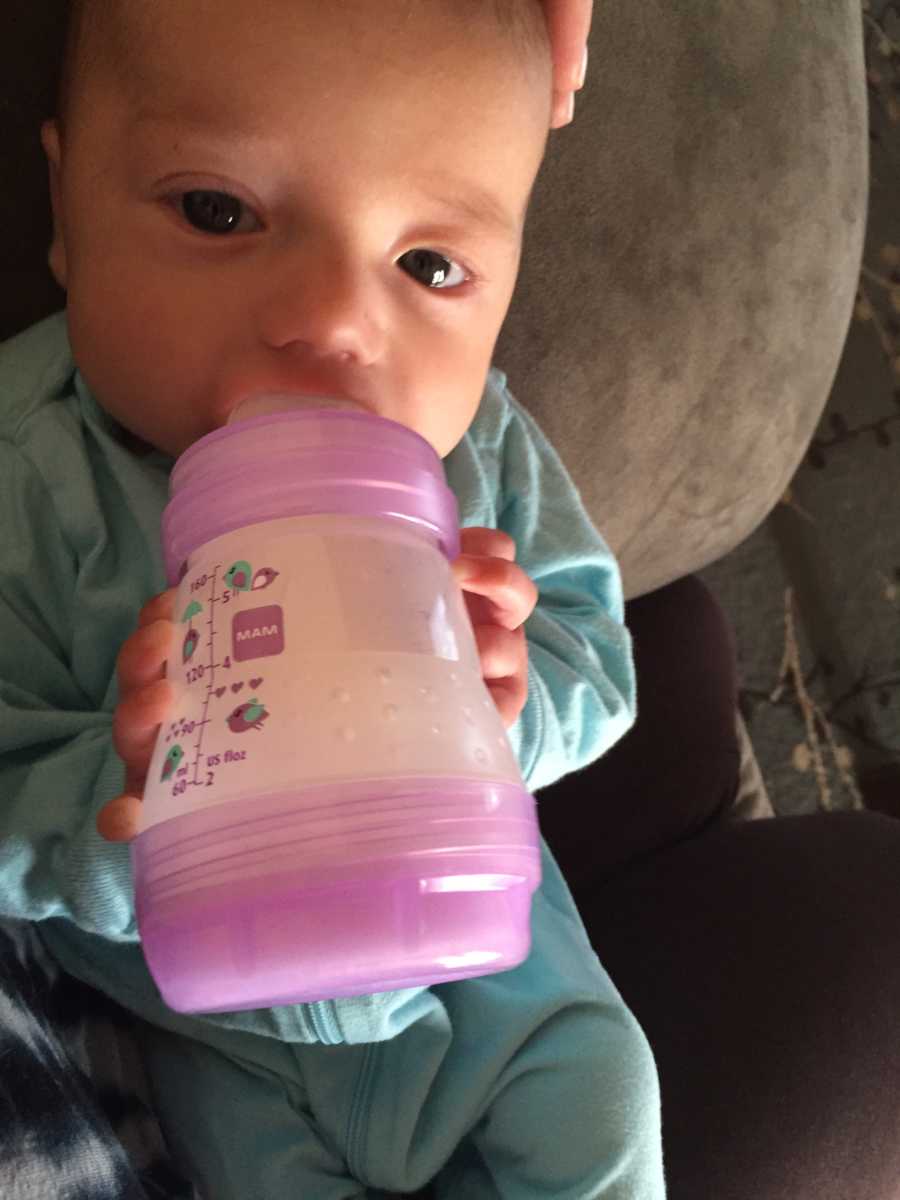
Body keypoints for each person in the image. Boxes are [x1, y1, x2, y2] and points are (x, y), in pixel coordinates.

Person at [0, 1, 665, 1197]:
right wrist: (128, 796)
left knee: (608, 1099)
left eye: (430, 265)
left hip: (492, 993)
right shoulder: (27, 473)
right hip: (216, 1033)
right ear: (66, 213)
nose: (335, 324)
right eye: (218, 211)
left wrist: (498, 696)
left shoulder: (476, 460)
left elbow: (596, 661)